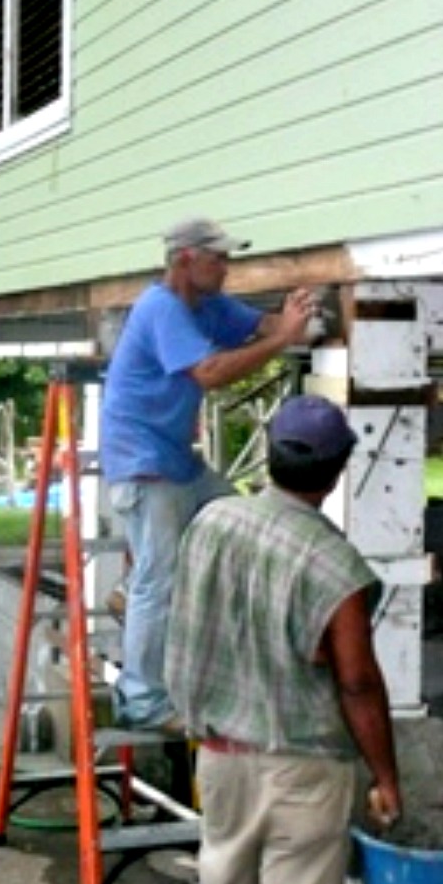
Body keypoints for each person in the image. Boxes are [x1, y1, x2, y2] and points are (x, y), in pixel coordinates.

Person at [165, 394, 401, 884]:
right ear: (338, 468)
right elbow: (356, 682)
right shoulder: (334, 566)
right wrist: (385, 776)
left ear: (269, 456)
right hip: (303, 773)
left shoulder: (211, 523)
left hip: (219, 758)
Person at [100, 216, 317, 730]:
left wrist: (294, 316)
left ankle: (128, 592)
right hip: (143, 463)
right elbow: (210, 373)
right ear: (184, 260)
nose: (226, 267)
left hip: (175, 459)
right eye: (217, 258)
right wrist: (283, 340)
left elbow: (259, 326)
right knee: (163, 579)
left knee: (235, 514)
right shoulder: (163, 308)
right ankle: (142, 701)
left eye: (227, 258)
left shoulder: (207, 307)